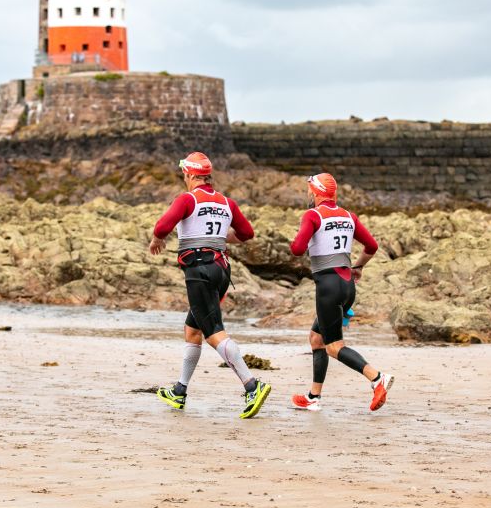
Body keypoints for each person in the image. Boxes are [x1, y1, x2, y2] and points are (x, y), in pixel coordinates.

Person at [149, 152, 271, 419]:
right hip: (221, 269)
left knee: (214, 332)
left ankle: (252, 385)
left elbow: (162, 225)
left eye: (185, 174)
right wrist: (219, 237)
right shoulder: (227, 202)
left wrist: (158, 239)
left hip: (199, 270)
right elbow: (247, 234)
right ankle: (179, 391)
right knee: (193, 329)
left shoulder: (187, 199)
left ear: (191, 175)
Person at [290, 172, 394, 412]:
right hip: (347, 286)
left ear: (315, 192)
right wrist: (358, 266)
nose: (308, 193)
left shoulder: (313, 215)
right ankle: (313, 397)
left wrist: (296, 242)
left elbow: (297, 249)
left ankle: (377, 378)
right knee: (317, 339)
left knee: (333, 346)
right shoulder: (349, 216)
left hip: (328, 286)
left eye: (309, 189)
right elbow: (372, 246)